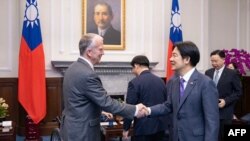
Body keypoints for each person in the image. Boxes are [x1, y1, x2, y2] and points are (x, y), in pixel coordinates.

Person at [60, 33, 146, 141]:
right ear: (89, 52)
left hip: (71, 127)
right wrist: (135, 109)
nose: (103, 53)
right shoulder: (87, 74)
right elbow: (107, 102)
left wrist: (100, 111)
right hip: (83, 132)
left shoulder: (72, 68)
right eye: (100, 49)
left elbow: (79, 101)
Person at [143, 41, 220, 141]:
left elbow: (212, 121)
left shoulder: (206, 83)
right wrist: (147, 110)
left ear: (187, 59)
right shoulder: (173, 82)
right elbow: (168, 106)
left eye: (175, 55)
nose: (170, 59)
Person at [122, 55, 169, 141]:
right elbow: (166, 104)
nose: (132, 71)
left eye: (132, 68)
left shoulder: (134, 83)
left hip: (143, 129)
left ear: (136, 65)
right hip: (162, 128)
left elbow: (130, 108)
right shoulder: (161, 81)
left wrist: (126, 128)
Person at [205, 50, 242, 140]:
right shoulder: (208, 73)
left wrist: (226, 101)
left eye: (216, 61)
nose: (213, 63)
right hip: (210, 113)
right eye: (212, 61)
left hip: (225, 113)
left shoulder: (232, 73)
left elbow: (238, 92)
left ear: (223, 60)